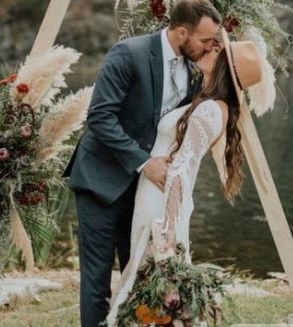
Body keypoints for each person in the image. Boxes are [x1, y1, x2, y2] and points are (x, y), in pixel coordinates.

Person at [64, 0, 221, 327]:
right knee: (97, 281)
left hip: (143, 192)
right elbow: (100, 118)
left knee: (138, 275)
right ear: (182, 32)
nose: (210, 47)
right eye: (206, 40)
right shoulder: (129, 53)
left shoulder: (194, 72)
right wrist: (144, 162)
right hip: (101, 181)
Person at [106, 28, 263, 326]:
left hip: (162, 199)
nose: (211, 47)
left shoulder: (210, 111)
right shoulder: (203, 101)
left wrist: (168, 226)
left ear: (225, 68)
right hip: (154, 193)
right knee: (147, 279)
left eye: (218, 49)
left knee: (154, 276)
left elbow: (182, 169)